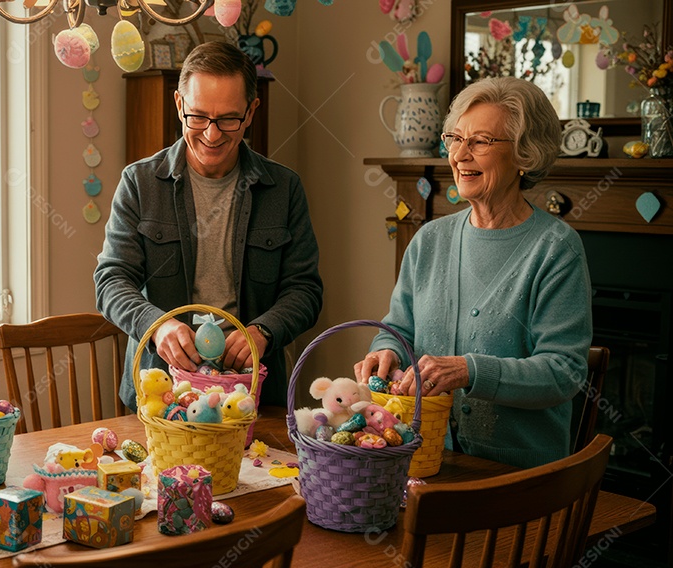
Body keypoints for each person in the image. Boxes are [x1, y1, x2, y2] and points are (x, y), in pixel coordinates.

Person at [354, 77, 592, 469]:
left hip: (516, 473)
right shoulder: (430, 239)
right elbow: (399, 329)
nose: (460, 155)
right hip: (426, 455)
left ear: (524, 155)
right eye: (455, 139)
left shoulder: (555, 249)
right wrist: (386, 351)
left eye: (480, 142)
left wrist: (470, 370)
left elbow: (565, 372)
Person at [94, 42, 324, 410]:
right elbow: (111, 281)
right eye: (198, 116)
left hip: (253, 393)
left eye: (228, 119)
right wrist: (158, 326)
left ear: (251, 112)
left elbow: (305, 291)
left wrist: (263, 332)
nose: (212, 135)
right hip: (160, 393)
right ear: (179, 105)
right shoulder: (139, 183)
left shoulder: (284, 189)